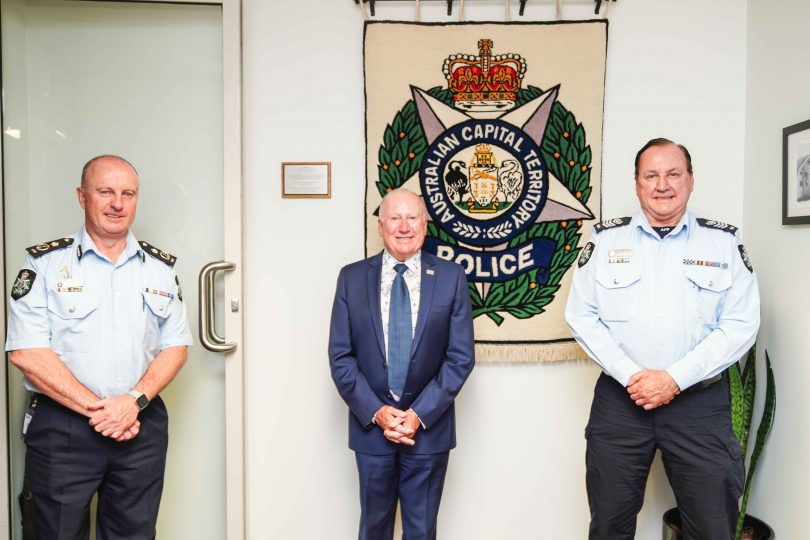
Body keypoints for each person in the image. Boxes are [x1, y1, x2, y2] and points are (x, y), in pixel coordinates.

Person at [565, 138, 760, 539]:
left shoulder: (722, 242)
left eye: (673, 174)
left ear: (690, 181)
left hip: (700, 407)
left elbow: (740, 324)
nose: (662, 184)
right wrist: (633, 376)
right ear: (636, 184)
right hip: (621, 404)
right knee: (609, 526)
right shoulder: (603, 242)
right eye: (650, 175)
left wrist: (674, 378)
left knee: (711, 526)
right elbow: (581, 316)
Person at [6, 154, 192, 539]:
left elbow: (177, 346)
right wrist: (103, 411)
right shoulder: (43, 264)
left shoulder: (160, 268)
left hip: (139, 425)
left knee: (133, 534)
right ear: (82, 196)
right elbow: (26, 351)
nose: (117, 203)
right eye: (105, 191)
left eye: (128, 193)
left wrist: (133, 403)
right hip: (64, 428)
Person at [329, 188, 475, 540]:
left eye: (413, 218)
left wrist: (418, 414)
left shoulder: (451, 277)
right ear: (380, 226)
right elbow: (341, 356)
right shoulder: (350, 278)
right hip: (371, 431)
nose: (404, 226)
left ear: (425, 225)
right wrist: (377, 411)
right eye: (395, 217)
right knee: (373, 528)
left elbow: (460, 357)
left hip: (428, 429)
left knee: (422, 531)